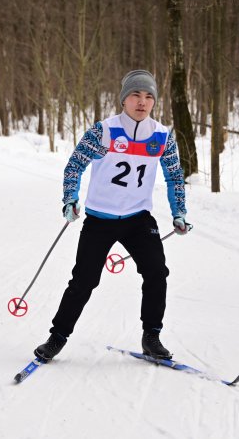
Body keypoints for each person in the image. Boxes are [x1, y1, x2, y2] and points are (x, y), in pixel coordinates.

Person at [34, 69, 191, 363]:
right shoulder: (103, 131)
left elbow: (174, 177)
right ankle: (57, 337)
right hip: (100, 219)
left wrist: (179, 213)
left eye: (148, 97)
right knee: (84, 280)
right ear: (123, 99)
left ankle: (152, 337)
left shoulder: (161, 136)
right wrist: (70, 198)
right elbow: (74, 167)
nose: (142, 102)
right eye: (135, 95)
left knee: (157, 272)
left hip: (138, 219)